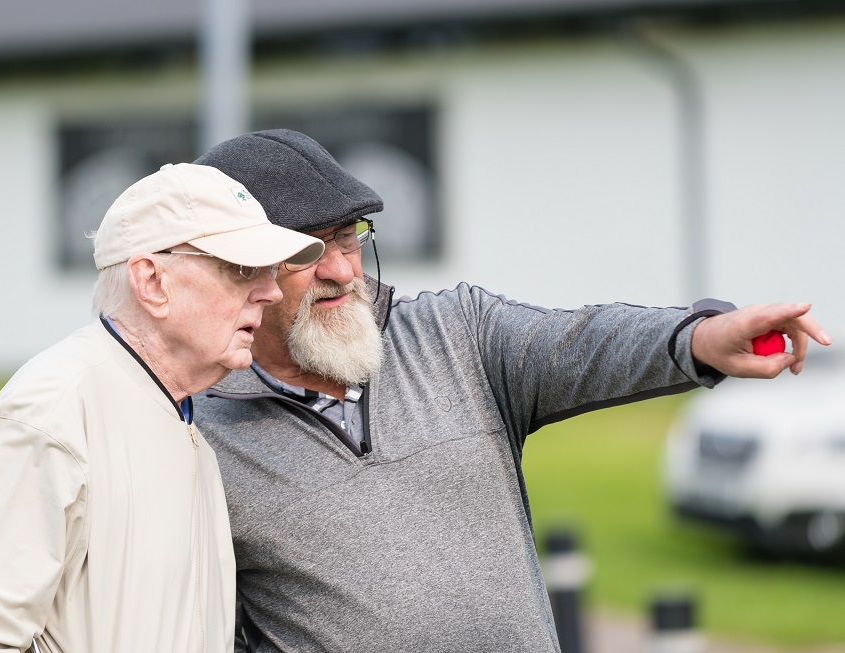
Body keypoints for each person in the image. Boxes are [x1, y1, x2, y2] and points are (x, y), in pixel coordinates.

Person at [190, 129, 833, 653]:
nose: (342, 270)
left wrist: (699, 336)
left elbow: (582, 343)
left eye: (348, 237)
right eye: (306, 250)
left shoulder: (454, 333)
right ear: (238, 268)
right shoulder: (196, 432)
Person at [0, 163, 324, 653]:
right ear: (151, 282)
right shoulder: (49, 416)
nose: (271, 291)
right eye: (241, 268)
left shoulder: (180, 414)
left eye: (271, 271)